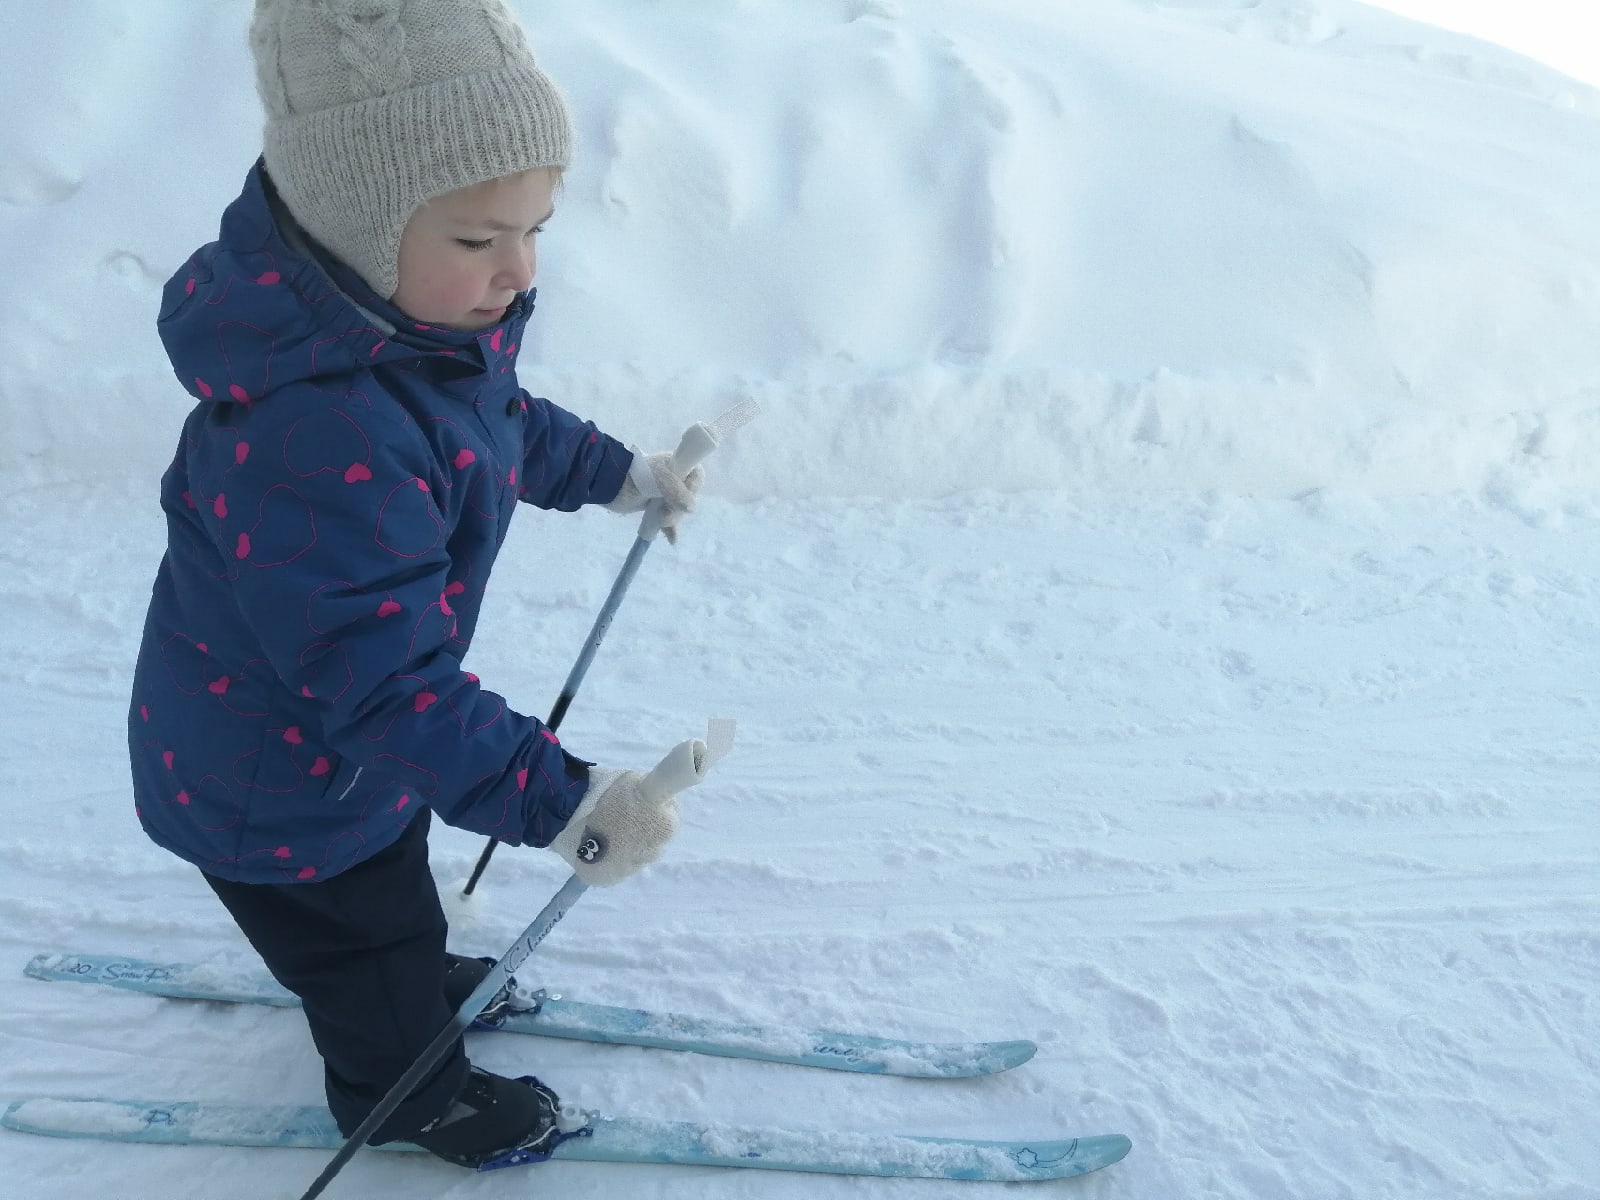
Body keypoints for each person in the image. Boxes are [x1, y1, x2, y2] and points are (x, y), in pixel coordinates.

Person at [128, 0, 705, 1170]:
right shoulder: (311, 438)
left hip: (322, 755)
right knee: (360, 940)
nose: (520, 269)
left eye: (534, 229)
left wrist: (618, 476)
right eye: (480, 238)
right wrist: (566, 801)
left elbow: (495, 425)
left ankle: (401, 976)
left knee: (384, 908)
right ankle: (407, 1094)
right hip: (276, 789)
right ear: (357, 222)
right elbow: (384, 685)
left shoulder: (400, 342)